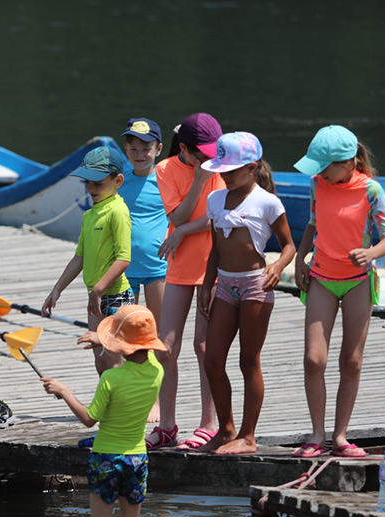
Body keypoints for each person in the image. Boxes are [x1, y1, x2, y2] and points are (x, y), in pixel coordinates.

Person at [40, 305, 166, 517]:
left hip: (106, 459)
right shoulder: (156, 372)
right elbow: (143, 353)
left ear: (119, 344)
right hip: (137, 460)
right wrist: (106, 342)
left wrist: (65, 392)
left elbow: (88, 419)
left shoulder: (111, 379)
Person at [290, 126, 385, 459]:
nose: (320, 172)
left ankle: (340, 437)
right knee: (313, 359)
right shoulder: (315, 185)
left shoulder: (371, 190)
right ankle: (316, 435)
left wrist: (371, 253)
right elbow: (312, 223)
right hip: (321, 276)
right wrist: (300, 258)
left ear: (349, 163)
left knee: (351, 362)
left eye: (326, 165)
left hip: (358, 281)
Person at [192, 132, 296, 455]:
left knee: (248, 361)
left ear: (252, 168)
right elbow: (215, 250)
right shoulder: (216, 201)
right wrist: (206, 285)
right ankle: (226, 430)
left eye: (232, 170)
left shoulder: (267, 202)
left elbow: (289, 246)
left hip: (255, 285)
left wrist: (278, 266)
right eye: (221, 169)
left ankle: (248, 437)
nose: (225, 175)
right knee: (211, 360)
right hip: (224, 285)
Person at [149, 113, 226, 451]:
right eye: (203, 154)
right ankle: (167, 426)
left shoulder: (221, 166)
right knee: (165, 347)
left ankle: (209, 424)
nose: (210, 160)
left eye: (213, 154)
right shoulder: (166, 169)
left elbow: (217, 218)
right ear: (184, 149)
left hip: (213, 265)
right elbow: (176, 215)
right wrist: (197, 180)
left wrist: (181, 231)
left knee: (204, 346)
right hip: (181, 265)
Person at [43, 145, 134, 376]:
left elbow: (124, 259)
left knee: (115, 359)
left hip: (115, 296)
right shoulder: (89, 215)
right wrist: (57, 289)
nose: (91, 188)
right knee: (100, 360)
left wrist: (99, 289)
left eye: (98, 183)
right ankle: (108, 410)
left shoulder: (118, 211)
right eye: (87, 182)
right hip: (96, 296)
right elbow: (80, 257)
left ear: (118, 181)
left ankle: (124, 411)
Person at [119, 118, 169, 424]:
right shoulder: (119, 180)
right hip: (125, 269)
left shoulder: (167, 179)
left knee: (157, 338)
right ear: (125, 148)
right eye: (133, 147)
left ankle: (157, 401)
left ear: (158, 149)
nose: (139, 153)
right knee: (128, 337)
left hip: (159, 270)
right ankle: (132, 394)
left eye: (146, 148)